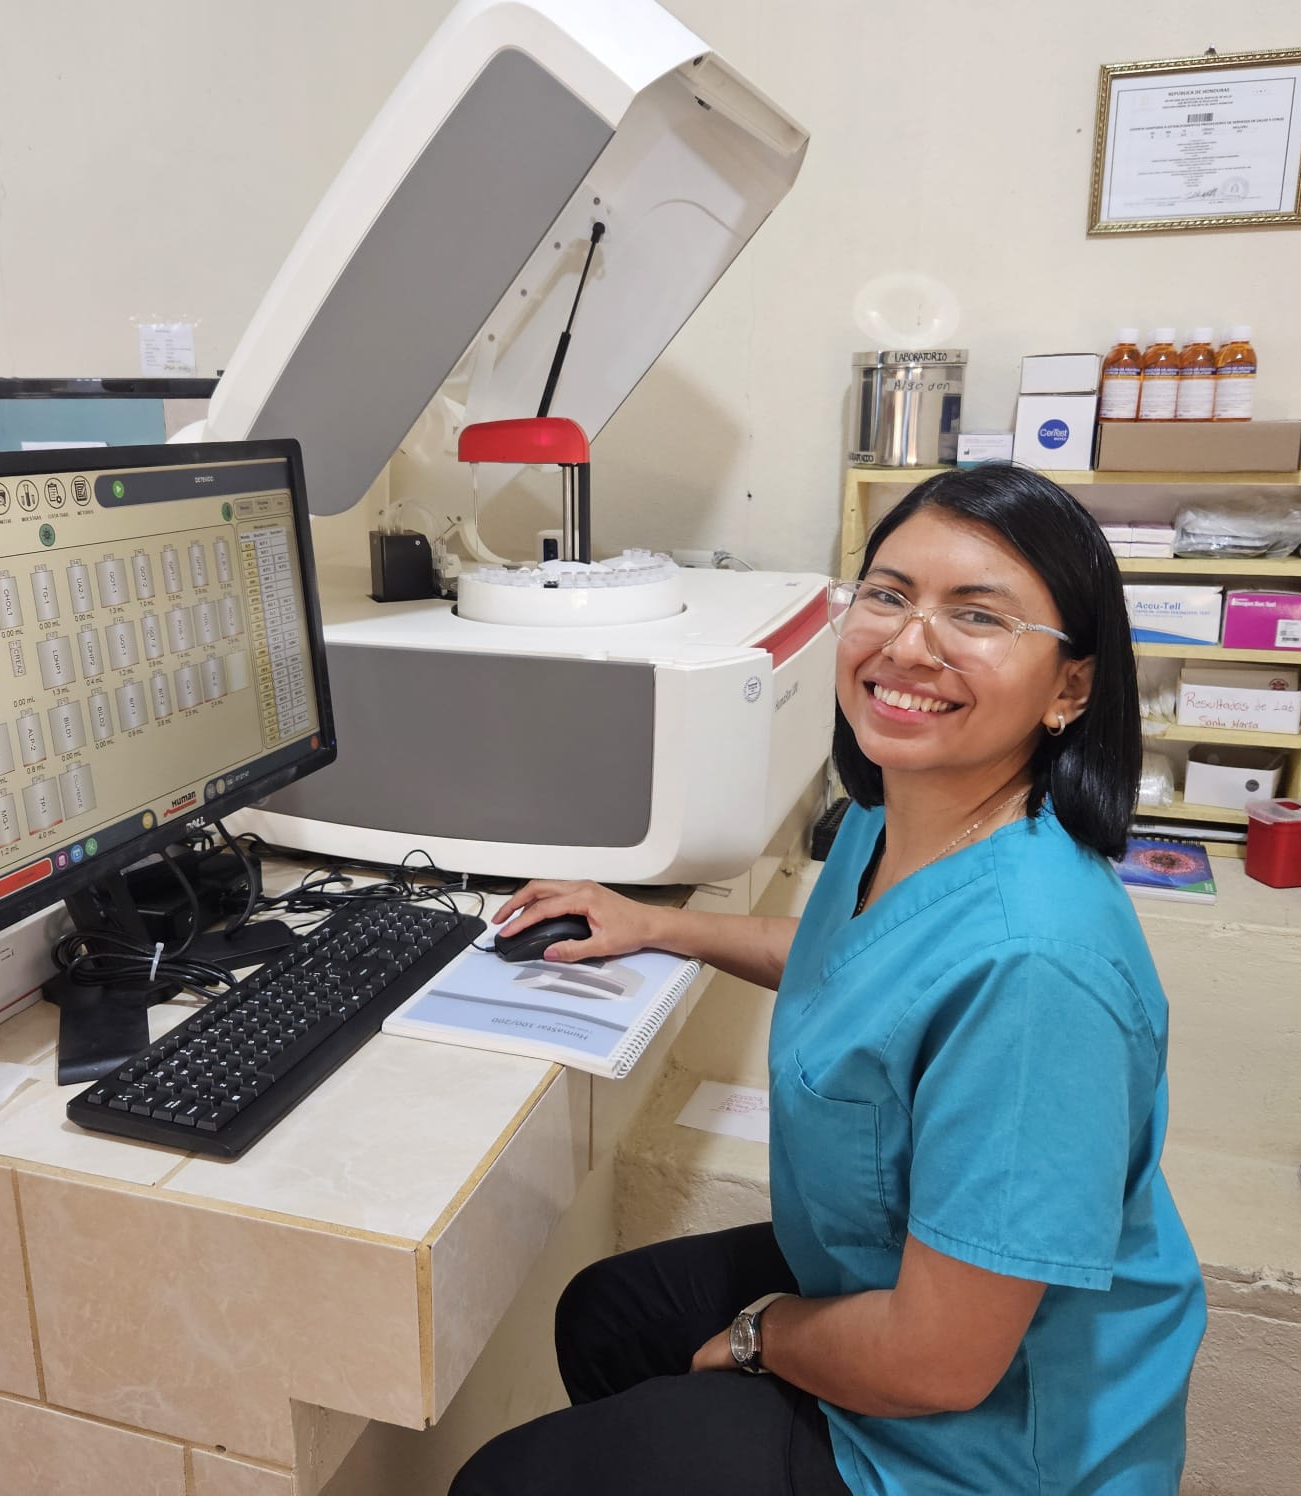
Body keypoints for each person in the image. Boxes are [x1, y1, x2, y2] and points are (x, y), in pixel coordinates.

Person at [451, 465, 1206, 1496]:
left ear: (1069, 685)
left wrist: (760, 1335)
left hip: (983, 1435)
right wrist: (658, 924)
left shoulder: (1037, 968)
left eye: (975, 615)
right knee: (609, 1313)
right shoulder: (897, 817)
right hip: (894, 1277)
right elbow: (857, 963)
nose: (906, 643)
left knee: (508, 1480)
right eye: (887, 595)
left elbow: (939, 1360)